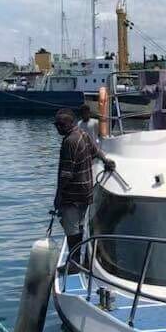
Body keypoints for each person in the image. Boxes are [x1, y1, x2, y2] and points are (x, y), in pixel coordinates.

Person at [54, 108, 115, 258]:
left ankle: (74, 262)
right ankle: (80, 257)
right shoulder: (83, 134)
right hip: (85, 191)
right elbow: (96, 151)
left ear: (69, 124)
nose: (58, 128)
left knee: (72, 229)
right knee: (80, 225)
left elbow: (66, 174)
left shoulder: (69, 141)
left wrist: (58, 196)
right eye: (56, 125)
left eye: (60, 125)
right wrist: (106, 161)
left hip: (72, 195)